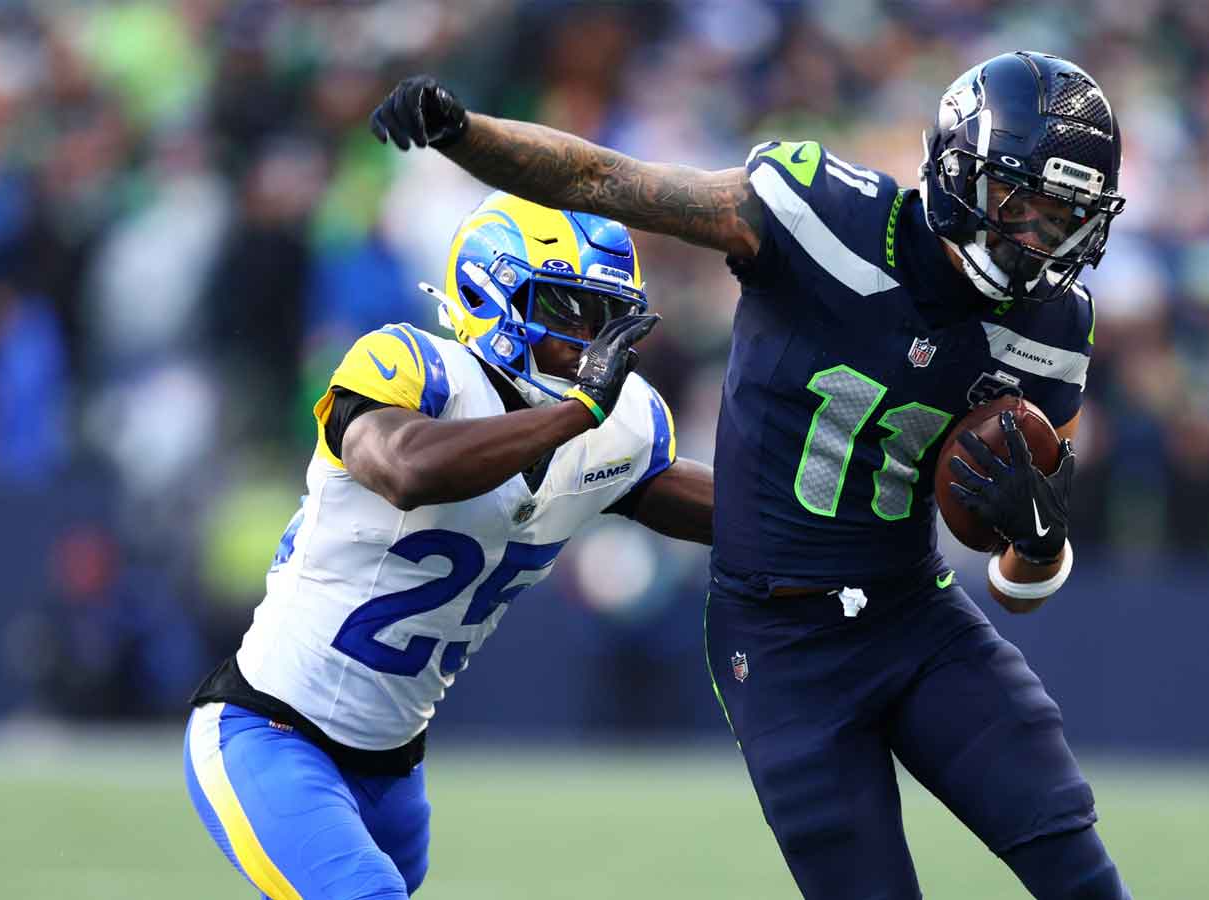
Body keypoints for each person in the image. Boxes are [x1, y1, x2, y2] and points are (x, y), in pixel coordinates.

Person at [370, 50, 1129, 898]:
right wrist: (463, 133)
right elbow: (602, 179)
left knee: (1074, 862)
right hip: (779, 642)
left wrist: (1041, 540)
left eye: (1063, 220)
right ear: (958, 171)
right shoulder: (821, 213)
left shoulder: (1055, 329)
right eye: (1020, 203)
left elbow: (1022, 585)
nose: (1037, 239)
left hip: (917, 618)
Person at [182, 192, 713, 899]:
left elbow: (743, 518)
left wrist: (853, 514)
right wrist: (576, 411)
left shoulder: (618, 430)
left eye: (607, 318)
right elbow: (406, 471)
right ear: (490, 294)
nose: (589, 343)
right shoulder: (411, 366)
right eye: (567, 311)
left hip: (395, 771)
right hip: (270, 731)